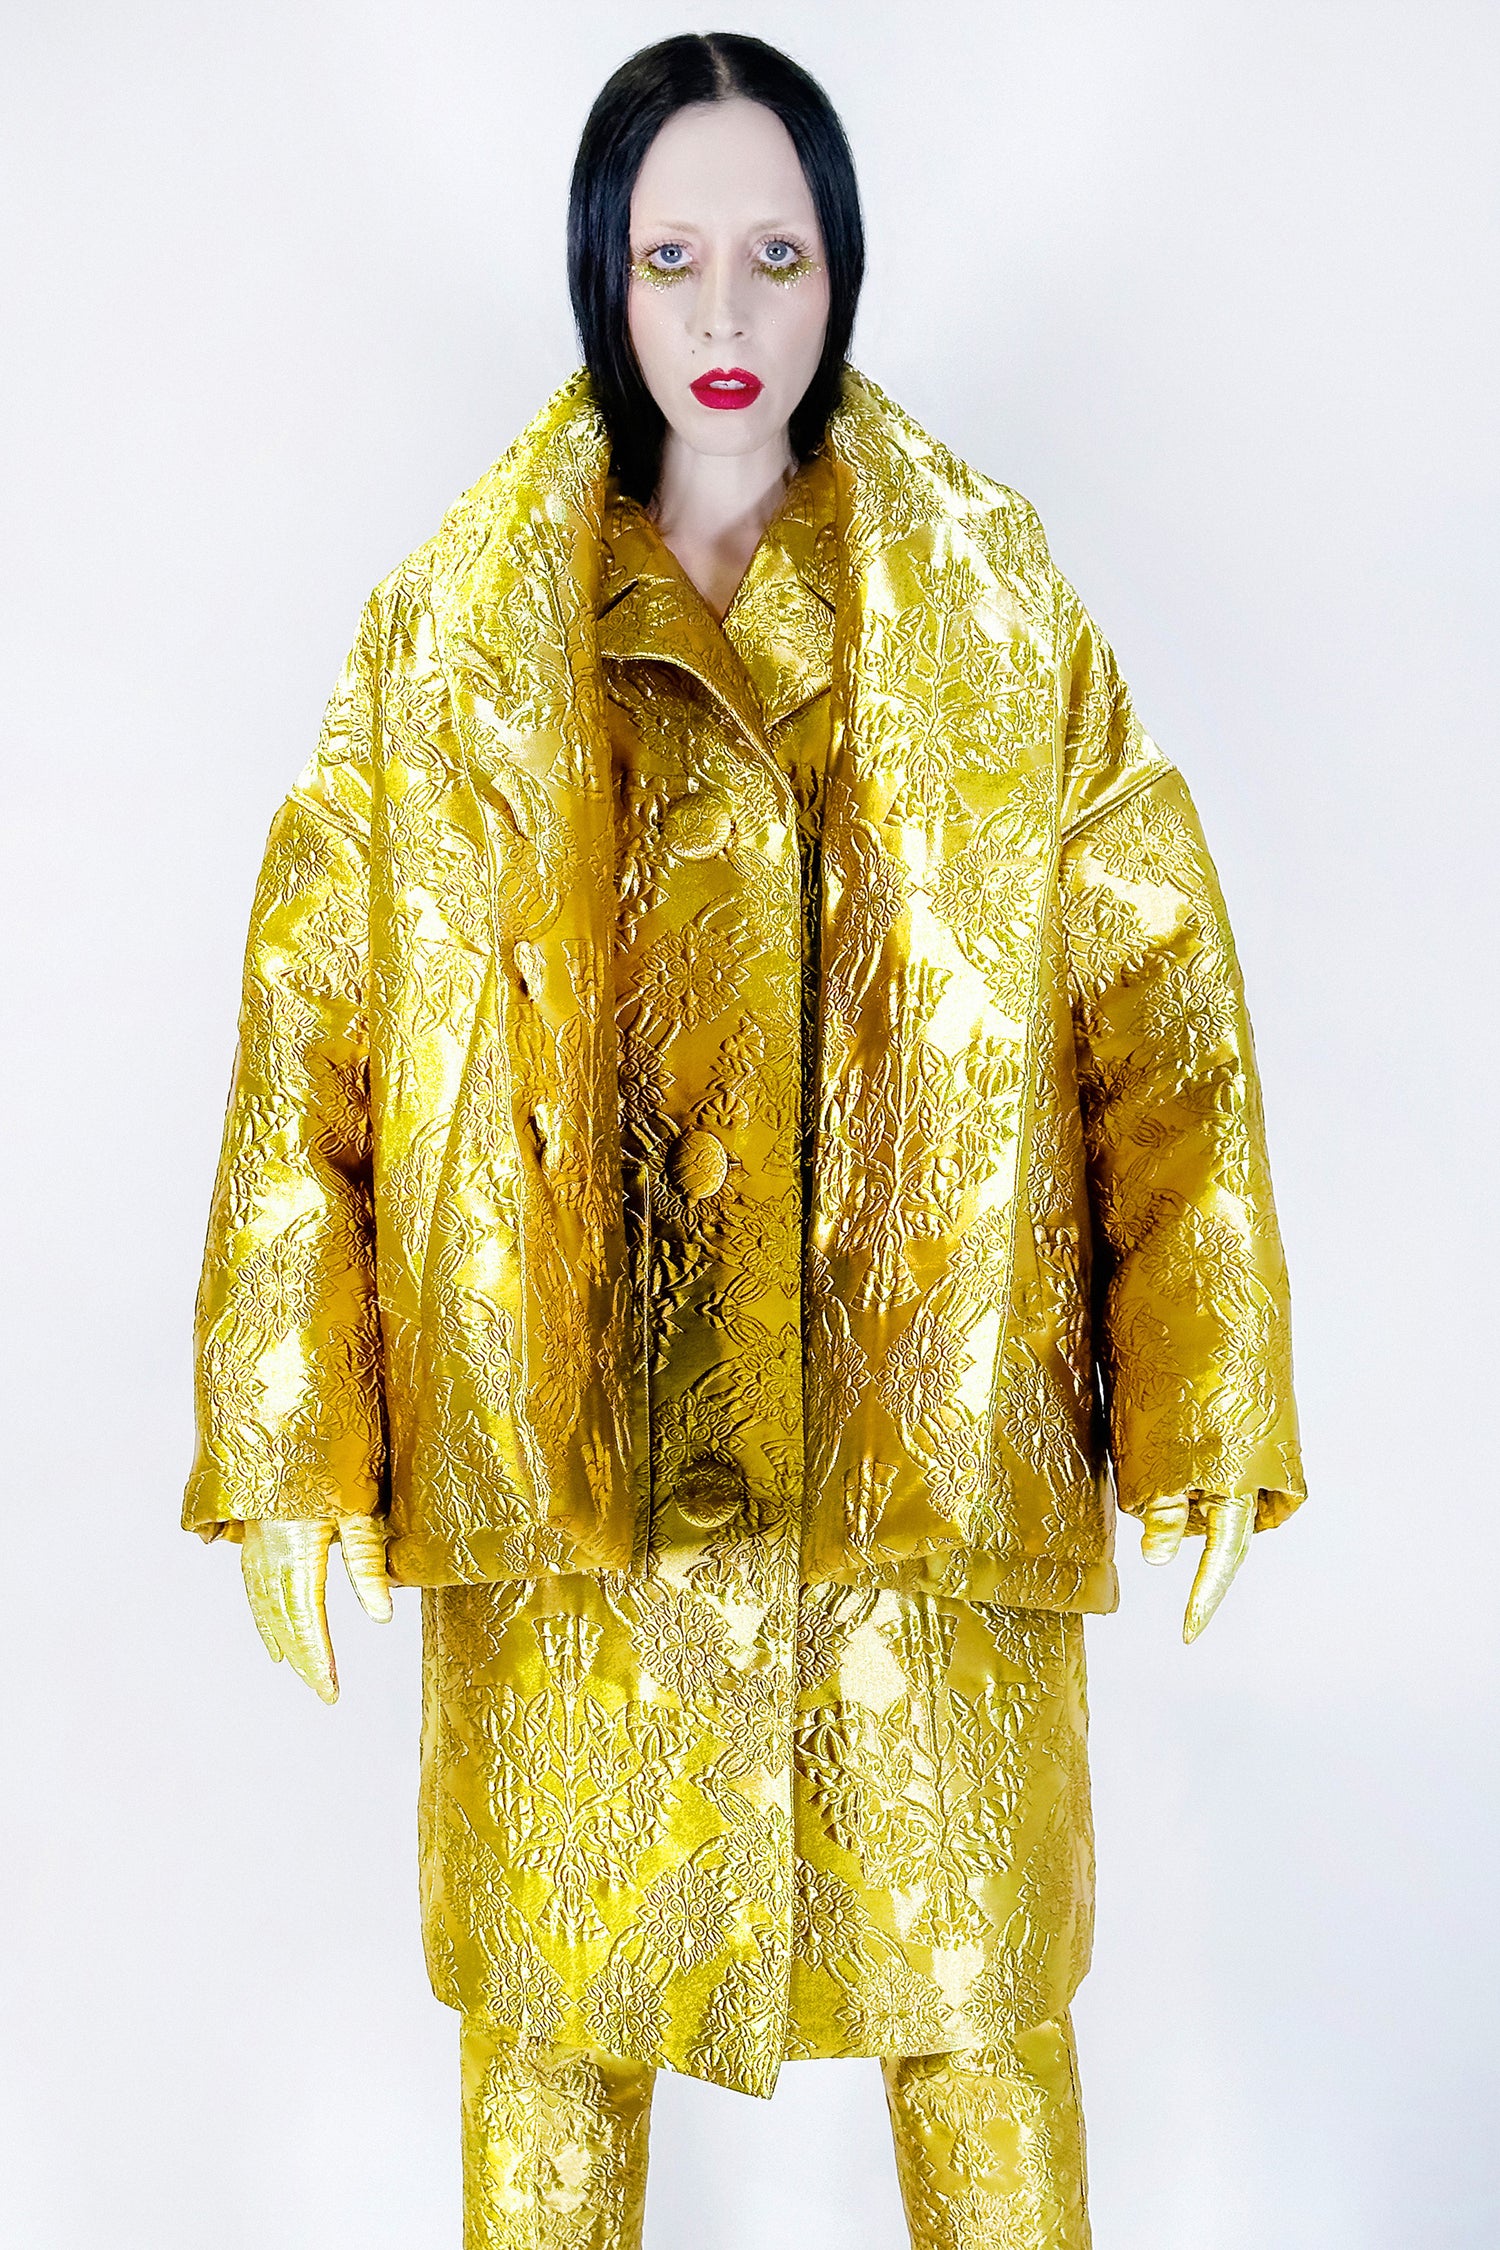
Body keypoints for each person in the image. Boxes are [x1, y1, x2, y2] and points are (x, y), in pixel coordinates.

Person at [185, 32, 1303, 2249]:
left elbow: (1160, 1009)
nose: (724, 314)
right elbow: (312, 1033)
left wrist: (1205, 1391)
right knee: (553, 2038)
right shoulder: (454, 638)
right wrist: (292, 1431)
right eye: (673, 257)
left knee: (978, 2019)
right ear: (602, 271)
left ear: (841, 269)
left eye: (775, 257)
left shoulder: (992, 609)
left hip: (927, 1459)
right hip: (568, 1481)